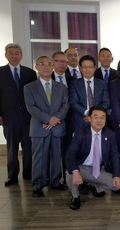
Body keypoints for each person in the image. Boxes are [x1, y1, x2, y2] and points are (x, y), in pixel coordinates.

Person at [24, 56, 69, 197]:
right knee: (39, 157)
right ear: (36, 66)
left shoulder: (61, 87)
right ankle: (38, 185)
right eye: (42, 64)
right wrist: (49, 119)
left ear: (53, 66)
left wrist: (56, 119)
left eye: (49, 64)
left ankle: (55, 182)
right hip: (39, 127)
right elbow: (31, 108)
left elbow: (65, 105)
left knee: (57, 156)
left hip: (57, 127)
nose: (46, 67)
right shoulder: (29, 87)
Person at [66, 106, 120, 210]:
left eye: (103, 117)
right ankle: (75, 197)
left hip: (98, 169)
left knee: (117, 184)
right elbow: (71, 154)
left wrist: (117, 175)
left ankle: (94, 186)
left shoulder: (110, 135)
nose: (99, 120)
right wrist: (75, 171)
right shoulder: (81, 133)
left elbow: (115, 156)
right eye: (95, 117)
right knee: (70, 173)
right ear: (89, 118)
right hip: (82, 167)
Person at [0, 43, 37, 186]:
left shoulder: (30, 73)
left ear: (21, 55)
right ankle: (12, 176)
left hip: (28, 118)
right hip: (9, 117)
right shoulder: (1, 72)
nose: (14, 55)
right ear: (6, 55)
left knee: (28, 148)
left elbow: (35, 95)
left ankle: (28, 174)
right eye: (11, 53)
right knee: (11, 148)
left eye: (17, 53)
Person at [51, 51, 76, 182]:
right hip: (53, 121)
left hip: (70, 121)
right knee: (54, 151)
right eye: (59, 61)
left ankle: (67, 177)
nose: (63, 64)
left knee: (68, 150)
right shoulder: (47, 78)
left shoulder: (72, 80)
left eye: (65, 62)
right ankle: (54, 179)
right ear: (53, 62)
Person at [69, 55, 110, 130]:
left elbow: (106, 102)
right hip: (81, 120)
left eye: (90, 67)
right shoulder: (75, 83)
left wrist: (94, 115)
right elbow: (73, 102)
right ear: (80, 68)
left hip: (99, 121)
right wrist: (87, 113)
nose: (88, 69)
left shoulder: (102, 83)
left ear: (94, 68)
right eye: (85, 67)